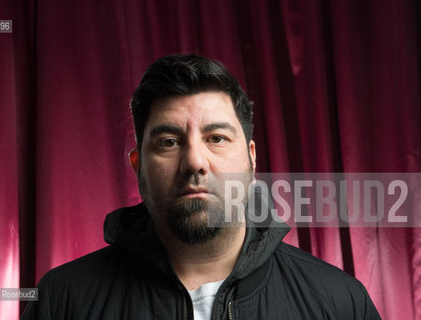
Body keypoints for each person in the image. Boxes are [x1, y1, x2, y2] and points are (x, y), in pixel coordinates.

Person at [21, 54, 381, 319]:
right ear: (138, 166)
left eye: (217, 138)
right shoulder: (61, 301)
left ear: (252, 160)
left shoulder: (341, 303)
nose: (195, 161)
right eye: (168, 142)